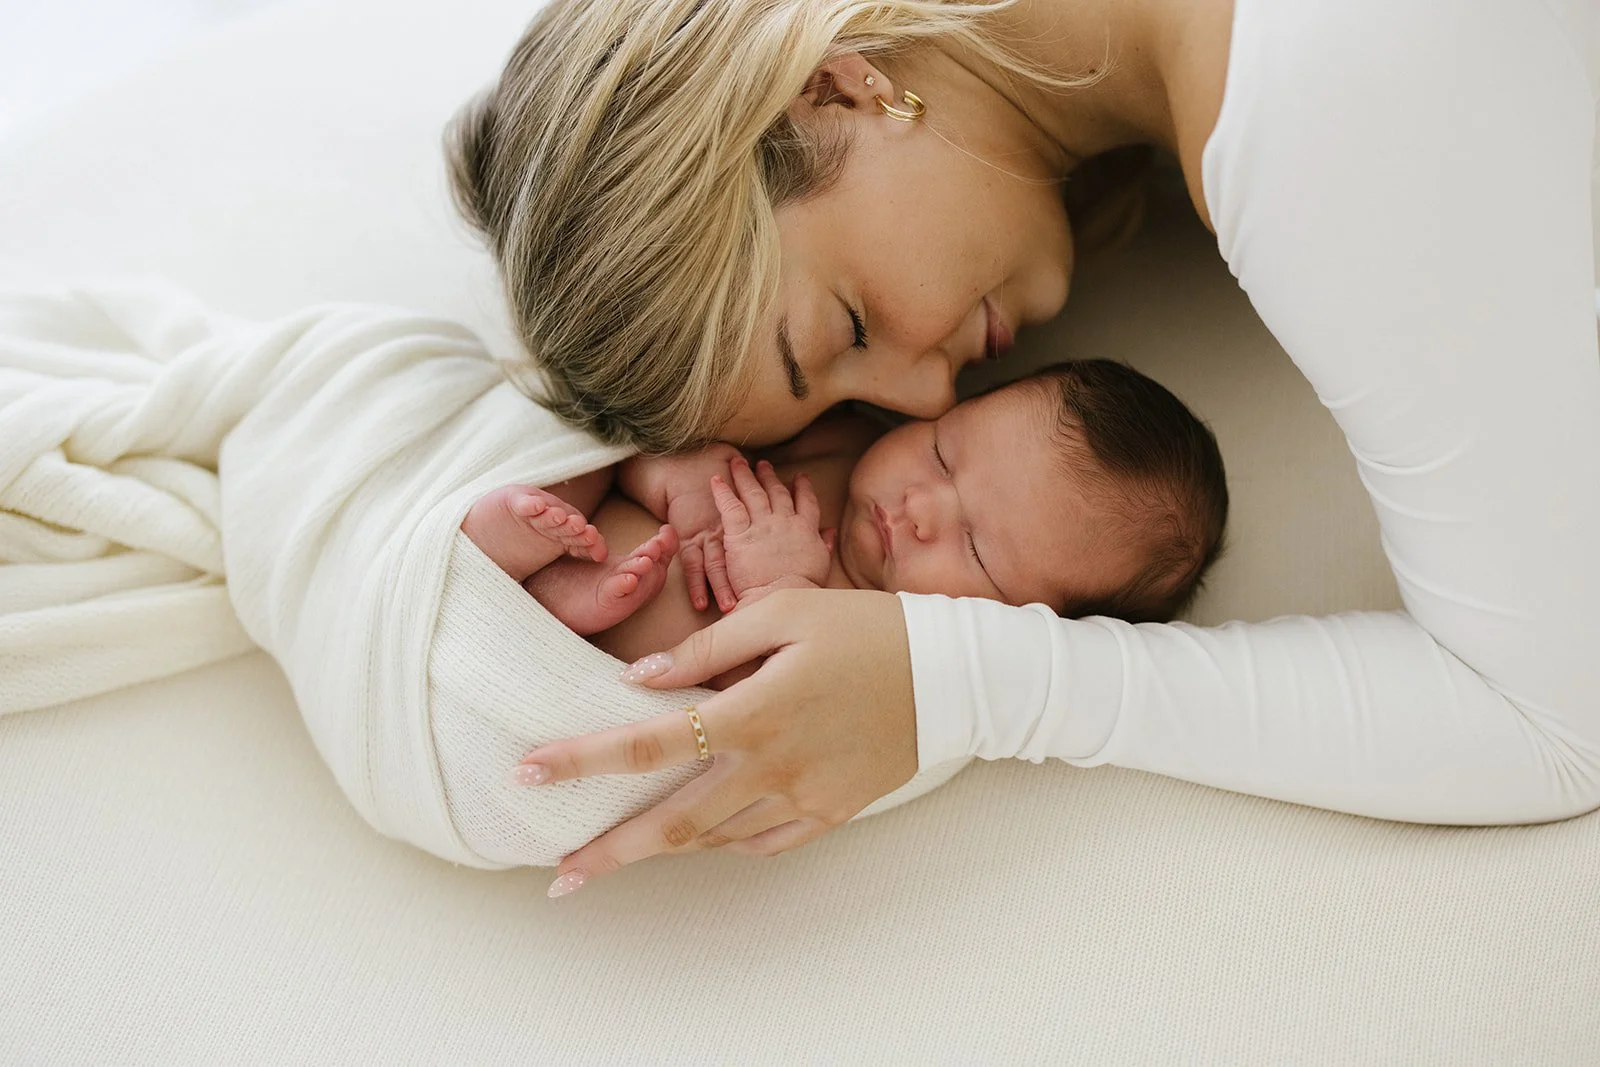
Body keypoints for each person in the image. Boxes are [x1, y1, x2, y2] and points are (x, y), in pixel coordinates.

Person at [445, 0, 1600, 898]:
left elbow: (1556, 728)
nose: (926, 389)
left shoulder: (1327, 114)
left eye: (845, 329)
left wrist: (954, 675)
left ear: (831, 88)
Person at [460, 362, 1228, 680]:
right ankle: (500, 543)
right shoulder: (841, 437)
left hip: (593, 664)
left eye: (979, 549)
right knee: (596, 427)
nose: (921, 509)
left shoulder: (891, 642)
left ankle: (546, 589)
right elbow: (666, 434)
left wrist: (784, 592)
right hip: (597, 517)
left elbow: (761, 692)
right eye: (942, 453)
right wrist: (679, 477)